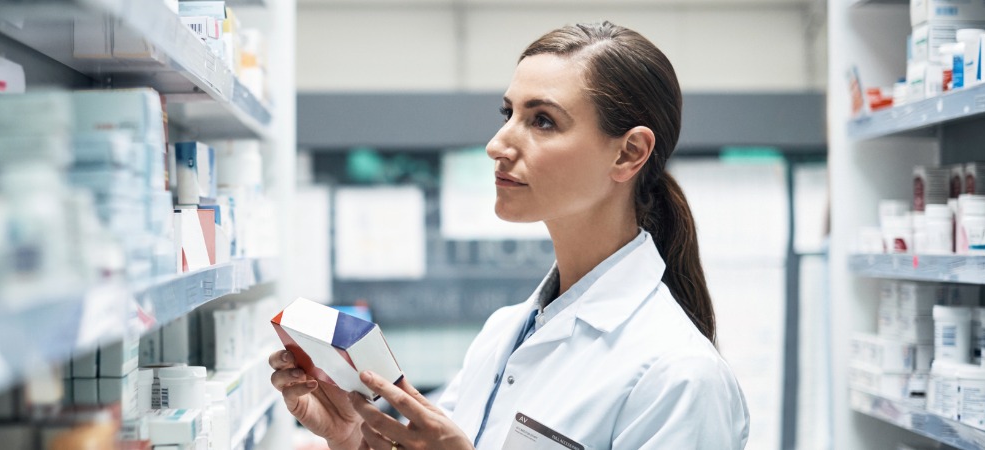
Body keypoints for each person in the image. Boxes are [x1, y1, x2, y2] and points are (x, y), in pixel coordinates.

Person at [269, 21, 750, 449]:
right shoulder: (504, 334)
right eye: (509, 115)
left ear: (627, 154)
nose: (497, 145)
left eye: (543, 120)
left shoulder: (679, 377)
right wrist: (352, 438)